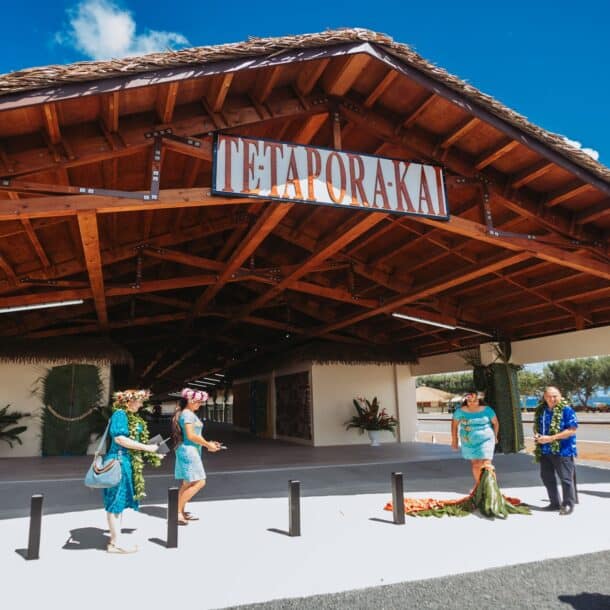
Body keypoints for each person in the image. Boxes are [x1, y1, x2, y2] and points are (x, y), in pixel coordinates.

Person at [103, 389, 163, 553]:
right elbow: (119, 438)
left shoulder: (133, 417)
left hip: (126, 462)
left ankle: (115, 540)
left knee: (119, 501)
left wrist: (153, 453)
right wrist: (147, 448)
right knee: (116, 501)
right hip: (118, 462)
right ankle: (115, 544)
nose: (141, 404)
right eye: (140, 401)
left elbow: (135, 442)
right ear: (129, 401)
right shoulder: (120, 415)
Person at [172, 388, 221, 525]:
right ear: (189, 400)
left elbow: (197, 435)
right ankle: (176, 512)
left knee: (187, 483)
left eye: (201, 401)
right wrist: (207, 445)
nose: (200, 403)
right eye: (198, 401)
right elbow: (191, 436)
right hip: (188, 451)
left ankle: (180, 512)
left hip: (190, 449)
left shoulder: (188, 413)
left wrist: (209, 444)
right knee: (200, 482)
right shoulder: (187, 414)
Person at [534, 386, 578, 515]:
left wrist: (551, 438)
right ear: (544, 397)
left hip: (563, 450)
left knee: (565, 478)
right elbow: (537, 426)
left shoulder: (567, 410)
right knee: (547, 477)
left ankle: (568, 504)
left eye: (555, 396)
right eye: (549, 396)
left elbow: (572, 430)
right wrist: (537, 435)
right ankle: (554, 503)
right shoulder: (541, 410)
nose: (552, 399)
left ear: (560, 396)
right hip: (545, 450)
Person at [451, 392, 499, 483]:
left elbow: (496, 423)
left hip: (486, 440)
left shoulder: (487, 410)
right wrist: (454, 440)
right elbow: (454, 425)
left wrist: (495, 436)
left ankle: (492, 487)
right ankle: (479, 486)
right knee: (476, 464)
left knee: (486, 464)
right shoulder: (460, 411)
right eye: (470, 401)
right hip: (469, 441)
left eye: (475, 401)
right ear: (466, 400)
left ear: (479, 400)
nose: (472, 403)